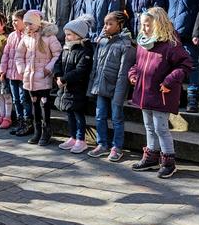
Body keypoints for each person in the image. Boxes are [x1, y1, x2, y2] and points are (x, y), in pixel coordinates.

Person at [128, 7, 191, 178]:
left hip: (161, 93)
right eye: (143, 25)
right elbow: (138, 65)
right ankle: (151, 157)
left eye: (148, 25)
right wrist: (133, 74)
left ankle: (169, 161)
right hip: (144, 92)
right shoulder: (143, 43)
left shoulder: (171, 45)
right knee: (149, 126)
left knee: (161, 128)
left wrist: (169, 81)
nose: (144, 29)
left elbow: (185, 65)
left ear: (159, 25)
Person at [87, 11, 136, 161]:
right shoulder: (101, 42)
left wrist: (120, 94)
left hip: (116, 89)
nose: (106, 27)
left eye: (110, 24)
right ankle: (102, 144)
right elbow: (95, 66)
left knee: (116, 118)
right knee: (100, 116)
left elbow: (123, 74)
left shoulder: (126, 45)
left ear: (120, 25)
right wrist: (91, 87)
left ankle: (117, 147)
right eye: (105, 23)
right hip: (101, 86)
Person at [15, 10, 62, 146]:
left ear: (36, 23)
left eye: (30, 24)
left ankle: (46, 131)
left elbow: (57, 54)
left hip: (43, 76)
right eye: (26, 24)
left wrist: (49, 68)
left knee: (44, 104)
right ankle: (37, 131)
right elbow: (19, 55)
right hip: (29, 76)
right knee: (34, 103)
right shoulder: (26, 37)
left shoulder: (49, 37)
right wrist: (22, 69)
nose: (28, 27)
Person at [54, 16, 94, 154]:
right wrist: (58, 75)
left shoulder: (85, 50)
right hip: (66, 87)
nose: (67, 37)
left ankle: (81, 139)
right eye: (66, 34)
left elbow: (81, 70)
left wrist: (64, 79)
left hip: (77, 87)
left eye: (69, 34)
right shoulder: (66, 48)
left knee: (78, 114)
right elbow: (58, 63)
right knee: (69, 113)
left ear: (78, 35)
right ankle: (72, 136)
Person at [0, 9, 33, 136]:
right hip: (11, 74)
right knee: (16, 99)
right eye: (12, 20)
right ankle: (20, 122)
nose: (13, 23)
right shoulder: (12, 36)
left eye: (16, 20)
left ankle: (27, 123)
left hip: (23, 74)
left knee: (24, 99)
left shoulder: (28, 36)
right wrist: (3, 70)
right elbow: (6, 54)